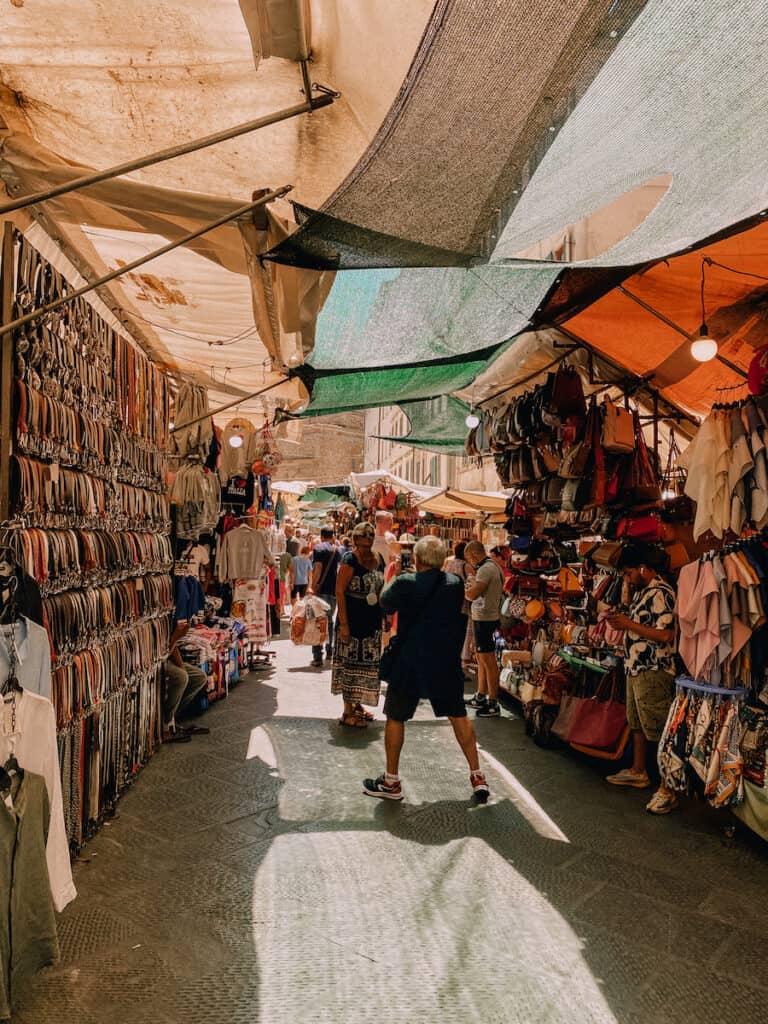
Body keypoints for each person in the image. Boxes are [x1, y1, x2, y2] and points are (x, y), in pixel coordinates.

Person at [362, 536, 489, 803]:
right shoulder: (454, 584)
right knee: (459, 716)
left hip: (409, 661)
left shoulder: (405, 583)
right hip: (444, 661)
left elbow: (385, 602)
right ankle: (478, 776)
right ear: (443, 560)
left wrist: (394, 574)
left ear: (417, 559)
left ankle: (391, 781)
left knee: (396, 716)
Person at [604, 545, 678, 814]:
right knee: (637, 723)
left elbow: (665, 635)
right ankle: (638, 771)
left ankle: (667, 788)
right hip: (637, 666)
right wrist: (620, 623)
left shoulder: (661, 593)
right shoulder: (644, 593)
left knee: (657, 727)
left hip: (654, 668)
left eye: (628, 573)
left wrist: (626, 624)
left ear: (643, 569)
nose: (626, 578)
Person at [332, 522, 386, 727]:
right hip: (352, 619)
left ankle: (358, 704)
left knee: (368, 664)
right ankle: (347, 711)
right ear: (355, 541)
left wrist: (385, 616)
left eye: (369, 541)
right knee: (349, 663)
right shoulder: (349, 559)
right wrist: (344, 624)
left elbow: (381, 588)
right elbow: (339, 591)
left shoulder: (378, 559)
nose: (366, 547)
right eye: (362, 543)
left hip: (371, 619)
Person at [463, 540, 504, 717]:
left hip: (486, 619)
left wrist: (467, 589)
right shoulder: (490, 567)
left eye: (468, 558)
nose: (469, 562)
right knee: (481, 658)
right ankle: (481, 695)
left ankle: (493, 702)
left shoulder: (487, 569)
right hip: (483, 617)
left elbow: (472, 594)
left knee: (488, 660)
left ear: (473, 554)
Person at [163, 596, 209, 743]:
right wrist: (176, 637)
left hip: (167, 654)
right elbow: (161, 656)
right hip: (159, 660)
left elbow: (173, 646)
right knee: (181, 677)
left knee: (199, 676)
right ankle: (165, 724)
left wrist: (182, 665)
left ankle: (173, 716)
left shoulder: (172, 614)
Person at [309, 525, 341, 667]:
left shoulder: (318, 548)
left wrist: (313, 586)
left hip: (320, 590)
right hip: (333, 590)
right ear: (332, 535)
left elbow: (318, 569)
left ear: (322, 536)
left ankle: (317, 656)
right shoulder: (337, 550)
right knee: (329, 621)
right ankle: (330, 651)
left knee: (318, 622)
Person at [444, 541, 474, 672]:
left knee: (451, 636)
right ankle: (461, 667)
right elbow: (473, 584)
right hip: (463, 604)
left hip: (449, 605)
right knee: (462, 636)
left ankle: (449, 664)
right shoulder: (466, 566)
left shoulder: (449, 564)